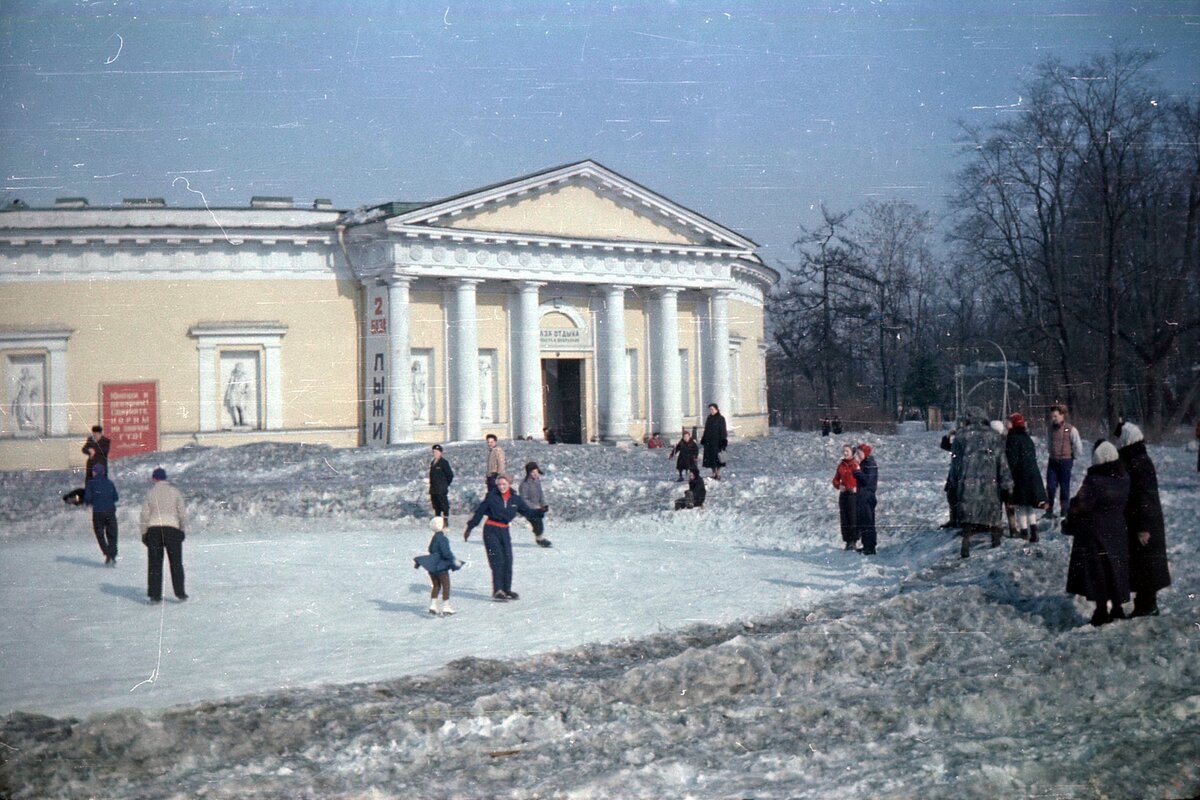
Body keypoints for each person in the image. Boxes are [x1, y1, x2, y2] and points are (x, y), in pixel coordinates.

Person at [1064, 442, 1131, 626]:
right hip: (1117, 531)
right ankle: (1118, 609)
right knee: (1115, 572)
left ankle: (1101, 612)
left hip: (1095, 534)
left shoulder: (1094, 481)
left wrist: (1070, 516)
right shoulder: (1124, 478)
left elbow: (1079, 505)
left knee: (1098, 574)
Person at [1115, 423, 1171, 617]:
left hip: (1144, 523)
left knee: (1147, 566)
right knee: (1144, 566)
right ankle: (1144, 605)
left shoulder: (1139, 462)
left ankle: (1147, 606)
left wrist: (1143, 527)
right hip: (1140, 521)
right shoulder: (1136, 459)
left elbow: (1145, 496)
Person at [464, 474, 542, 601]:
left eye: (504, 484)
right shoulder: (491, 497)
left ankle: (507, 589)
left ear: (509, 484)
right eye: (499, 484)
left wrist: (539, 512)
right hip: (491, 529)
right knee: (497, 559)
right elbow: (479, 512)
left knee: (508, 558)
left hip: (504, 530)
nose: (501, 487)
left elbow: (527, 512)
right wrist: (470, 527)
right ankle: (498, 590)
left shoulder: (515, 499)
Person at [955, 406, 1014, 558]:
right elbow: (1002, 461)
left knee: (968, 518)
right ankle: (995, 545)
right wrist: (1007, 483)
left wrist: (954, 482)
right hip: (990, 484)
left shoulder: (961, 436)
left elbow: (956, 463)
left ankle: (966, 546)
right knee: (993, 517)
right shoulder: (994, 436)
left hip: (969, 484)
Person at [140, 467, 188, 603]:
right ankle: (180, 593)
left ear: (154, 478)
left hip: (154, 529)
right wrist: (182, 529)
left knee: (155, 564)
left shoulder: (150, 493)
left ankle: (155, 595)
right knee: (176, 563)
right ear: (165, 478)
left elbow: (144, 515)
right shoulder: (175, 492)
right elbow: (182, 513)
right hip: (172, 528)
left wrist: (144, 533)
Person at [1004, 413, 1048, 542]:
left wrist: (1008, 473)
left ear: (1013, 424)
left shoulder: (1012, 438)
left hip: (1020, 476)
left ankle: (1024, 532)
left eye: (1009, 422)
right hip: (1032, 475)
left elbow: (1012, 460)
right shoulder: (1027, 438)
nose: (1007, 424)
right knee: (1029, 505)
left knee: (1021, 505)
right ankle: (1034, 531)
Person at [414, 516, 464, 616]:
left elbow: (430, 549)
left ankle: (433, 605)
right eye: (444, 524)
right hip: (441, 566)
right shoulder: (443, 538)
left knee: (436, 585)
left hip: (432, 566)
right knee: (446, 585)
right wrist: (454, 560)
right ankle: (446, 607)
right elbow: (446, 553)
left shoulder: (434, 537)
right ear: (441, 526)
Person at [1044, 402, 1083, 522]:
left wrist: (1073, 457)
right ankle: (1049, 510)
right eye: (1052, 416)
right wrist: (1051, 453)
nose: (1053, 419)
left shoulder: (1070, 429)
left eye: (1055, 416)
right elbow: (1049, 443)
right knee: (1050, 486)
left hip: (1066, 461)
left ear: (1062, 415)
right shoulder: (1050, 429)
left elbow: (1077, 445)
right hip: (1053, 461)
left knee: (1064, 487)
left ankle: (1064, 510)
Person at [83, 463, 119, 565]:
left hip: (98, 512)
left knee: (100, 534)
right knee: (112, 534)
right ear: (103, 472)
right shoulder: (109, 483)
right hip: (110, 511)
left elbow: (88, 498)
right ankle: (112, 555)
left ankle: (107, 553)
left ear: (94, 472)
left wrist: (91, 502)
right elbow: (116, 497)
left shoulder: (90, 483)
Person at [518, 461, 552, 548]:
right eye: (533, 472)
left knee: (539, 523)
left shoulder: (537, 481)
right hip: (528, 509)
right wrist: (533, 506)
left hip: (537, 507)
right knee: (537, 522)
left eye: (536, 472)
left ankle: (539, 538)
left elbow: (540, 494)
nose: (535, 474)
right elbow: (523, 499)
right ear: (529, 473)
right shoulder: (524, 484)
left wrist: (543, 504)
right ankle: (539, 539)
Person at [852, 443, 878, 555]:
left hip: (867, 496)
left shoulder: (870, 464)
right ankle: (866, 545)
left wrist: (857, 472)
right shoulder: (863, 463)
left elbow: (868, 481)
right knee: (863, 522)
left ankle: (870, 547)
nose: (857, 455)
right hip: (861, 496)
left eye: (859, 453)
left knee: (868, 522)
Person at [831, 444, 858, 551]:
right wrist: (839, 486)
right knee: (844, 518)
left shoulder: (856, 464)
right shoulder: (841, 465)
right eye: (844, 451)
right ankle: (847, 541)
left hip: (853, 495)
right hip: (843, 495)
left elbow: (863, 480)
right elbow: (835, 480)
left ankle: (854, 541)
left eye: (847, 451)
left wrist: (857, 488)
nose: (845, 453)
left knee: (853, 518)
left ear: (852, 452)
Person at [700, 403, 728, 480]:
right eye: (710, 409)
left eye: (712, 409)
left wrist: (723, 440)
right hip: (709, 442)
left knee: (718, 458)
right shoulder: (709, 418)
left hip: (718, 442)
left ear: (716, 409)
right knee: (711, 459)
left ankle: (718, 473)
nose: (711, 411)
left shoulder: (721, 418)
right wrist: (704, 438)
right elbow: (706, 429)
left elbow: (723, 430)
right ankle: (713, 473)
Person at [939, 427, 960, 528]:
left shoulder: (964, 445)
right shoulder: (957, 446)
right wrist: (948, 436)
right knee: (951, 495)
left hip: (960, 473)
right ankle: (954, 519)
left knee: (954, 496)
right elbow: (945, 445)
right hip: (956, 473)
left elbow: (945, 446)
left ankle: (955, 520)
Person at [428, 444, 454, 527]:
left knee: (443, 504)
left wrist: (445, 484)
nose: (435, 453)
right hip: (434, 489)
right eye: (434, 452)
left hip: (441, 488)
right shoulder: (433, 462)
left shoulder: (443, 462)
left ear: (440, 452)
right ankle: (438, 520)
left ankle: (445, 520)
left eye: (436, 452)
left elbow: (450, 475)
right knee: (436, 505)